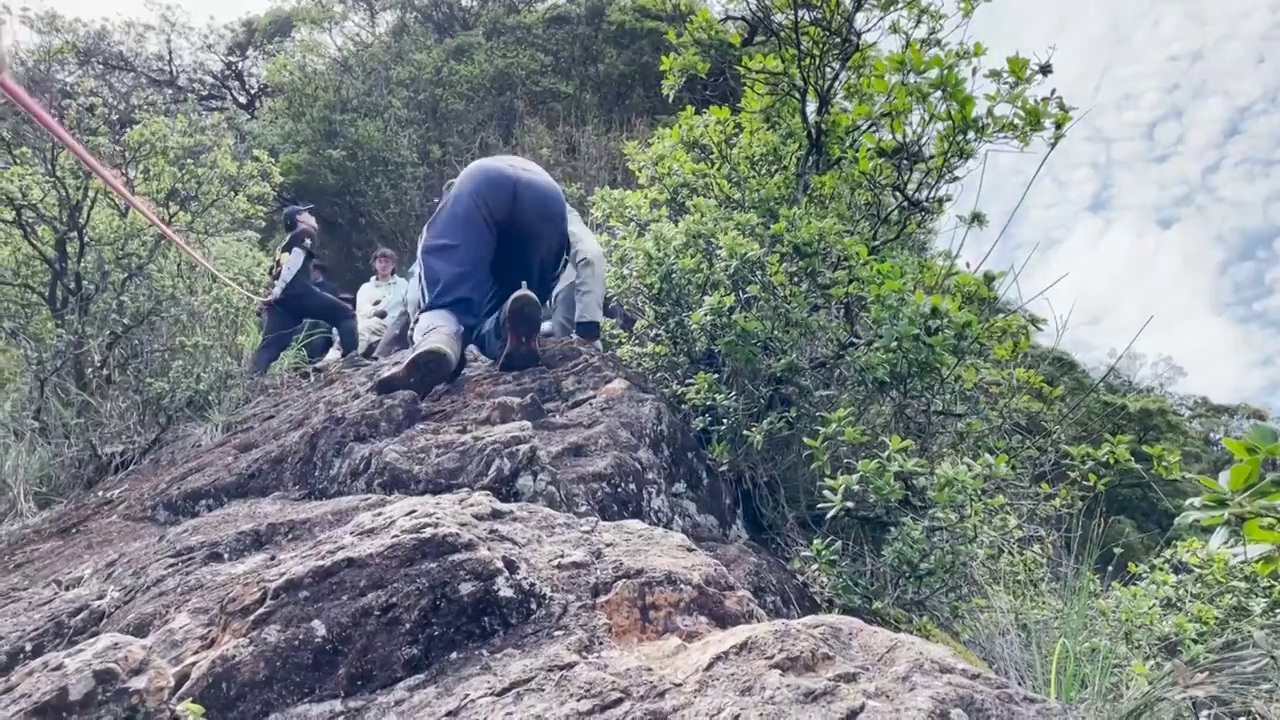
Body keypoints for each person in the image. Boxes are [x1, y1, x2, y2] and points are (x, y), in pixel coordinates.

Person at [374, 155, 598, 397]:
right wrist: (589, 332)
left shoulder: (456, 199)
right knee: (511, 302)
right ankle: (509, 326)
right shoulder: (568, 210)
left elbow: (420, 288)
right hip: (548, 197)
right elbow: (591, 255)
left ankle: (439, 338)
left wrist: (417, 331)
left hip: (480, 180)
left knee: (447, 300)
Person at [250, 204, 364, 374]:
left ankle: (252, 378)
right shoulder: (304, 233)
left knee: (272, 344)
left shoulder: (282, 245)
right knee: (345, 315)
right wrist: (278, 289)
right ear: (298, 218)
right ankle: (351, 360)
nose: (312, 215)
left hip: (283, 302)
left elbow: (276, 271)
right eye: (307, 212)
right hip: (299, 293)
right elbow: (293, 262)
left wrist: (274, 293)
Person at [355, 248, 410, 358]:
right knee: (354, 332)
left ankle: (354, 356)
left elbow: (409, 305)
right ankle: (329, 361)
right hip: (369, 323)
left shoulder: (403, 285)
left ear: (393, 265)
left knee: (364, 330)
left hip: (393, 326)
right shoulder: (366, 287)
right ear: (374, 264)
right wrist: (374, 312)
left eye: (387, 262)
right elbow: (362, 309)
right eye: (380, 261)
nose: (383, 265)